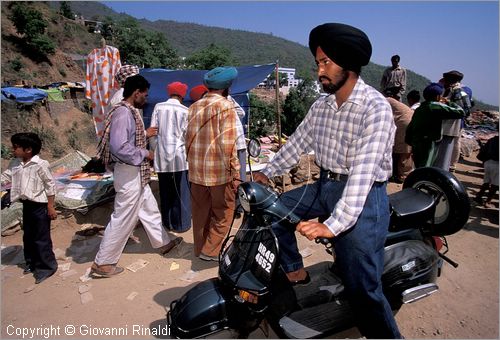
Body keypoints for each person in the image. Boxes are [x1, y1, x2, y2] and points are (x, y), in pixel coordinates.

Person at [254, 23, 401, 338]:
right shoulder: (321, 105)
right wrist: (267, 171)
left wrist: (331, 226)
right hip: (325, 187)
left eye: (325, 63)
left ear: (348, 65)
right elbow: (296, 142)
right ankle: (295, 271)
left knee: (363, 287)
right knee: (272, 211)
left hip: (364, 199)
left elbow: (363, 173)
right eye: (318, 63)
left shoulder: (375, 108)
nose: (319, 70)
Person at [91, 74, 182, 277]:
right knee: (123, 217)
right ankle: (103, 262)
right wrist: (146, 153)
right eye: (145, 95)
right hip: (128, 172)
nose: (146, 99)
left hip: (134, 173)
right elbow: (119, 147)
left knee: (148, 207)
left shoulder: (129, 111)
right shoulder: (123, 113)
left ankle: (163, 242)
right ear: (136, 92)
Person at [186, 67, 240, 261]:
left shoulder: (193, 107)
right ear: (227, 87)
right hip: (219, 173)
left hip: (196, 172)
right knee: (224, 212)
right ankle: (210, 251)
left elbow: (188, 140)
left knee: (200, 213)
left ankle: (200, 249)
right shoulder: (226, 107)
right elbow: (228, 145)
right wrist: (236, 174)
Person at [1, 133, 58, 284]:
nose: (12, 150)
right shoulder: (15, 163)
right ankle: (31, 263)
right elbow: (5, 177)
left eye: (15, 147)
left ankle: (47, 267)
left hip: (40, 206)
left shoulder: (40, 164)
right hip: (27, 205)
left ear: (28, 149)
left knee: (41, 238)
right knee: (29, 236)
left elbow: (50, 185)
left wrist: (50, 206)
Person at [149, 81, 192, 232]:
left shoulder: (158, 107)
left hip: (162, 158)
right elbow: (188, 137)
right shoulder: (186, 111)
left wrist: (157, 150)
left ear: (169, 93)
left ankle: (167, 224)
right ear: (183, 95)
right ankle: (182, 225)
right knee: (181, 192)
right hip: (179, 158)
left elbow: (152, 133)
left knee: (165, 191)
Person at [405, 83, 465, 168]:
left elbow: (411, 125)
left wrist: (409, 140)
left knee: (418, 166)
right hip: (429, 142)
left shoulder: (420, 108)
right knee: (426, 166)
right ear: (437, 96)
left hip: (416, 141)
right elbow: (461, 112)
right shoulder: (435, 107)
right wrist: (449, 102)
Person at [434, 70, 472, 171]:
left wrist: (447, 103)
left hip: (453, 124)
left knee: (452, 144)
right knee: (448, 144)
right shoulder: (450, 89)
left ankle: (450, 165)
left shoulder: (460, 91)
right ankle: (446, 164)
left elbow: (462, 110)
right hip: (448, 123)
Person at [386, 95, 414, 183]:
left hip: (404, 123)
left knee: (403, 150)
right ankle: (402, 174)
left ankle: (403, 175)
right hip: (409, 121)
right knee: (405, 149)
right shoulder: (393, 102)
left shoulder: (384, 100)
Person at [474, 127, 499, 209]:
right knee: (495, 185)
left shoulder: (492, 139)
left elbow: (483, 152)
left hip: (488, 163)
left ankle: (479, 196)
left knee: (486, 182)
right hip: (497, 165)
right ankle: (488, 201)